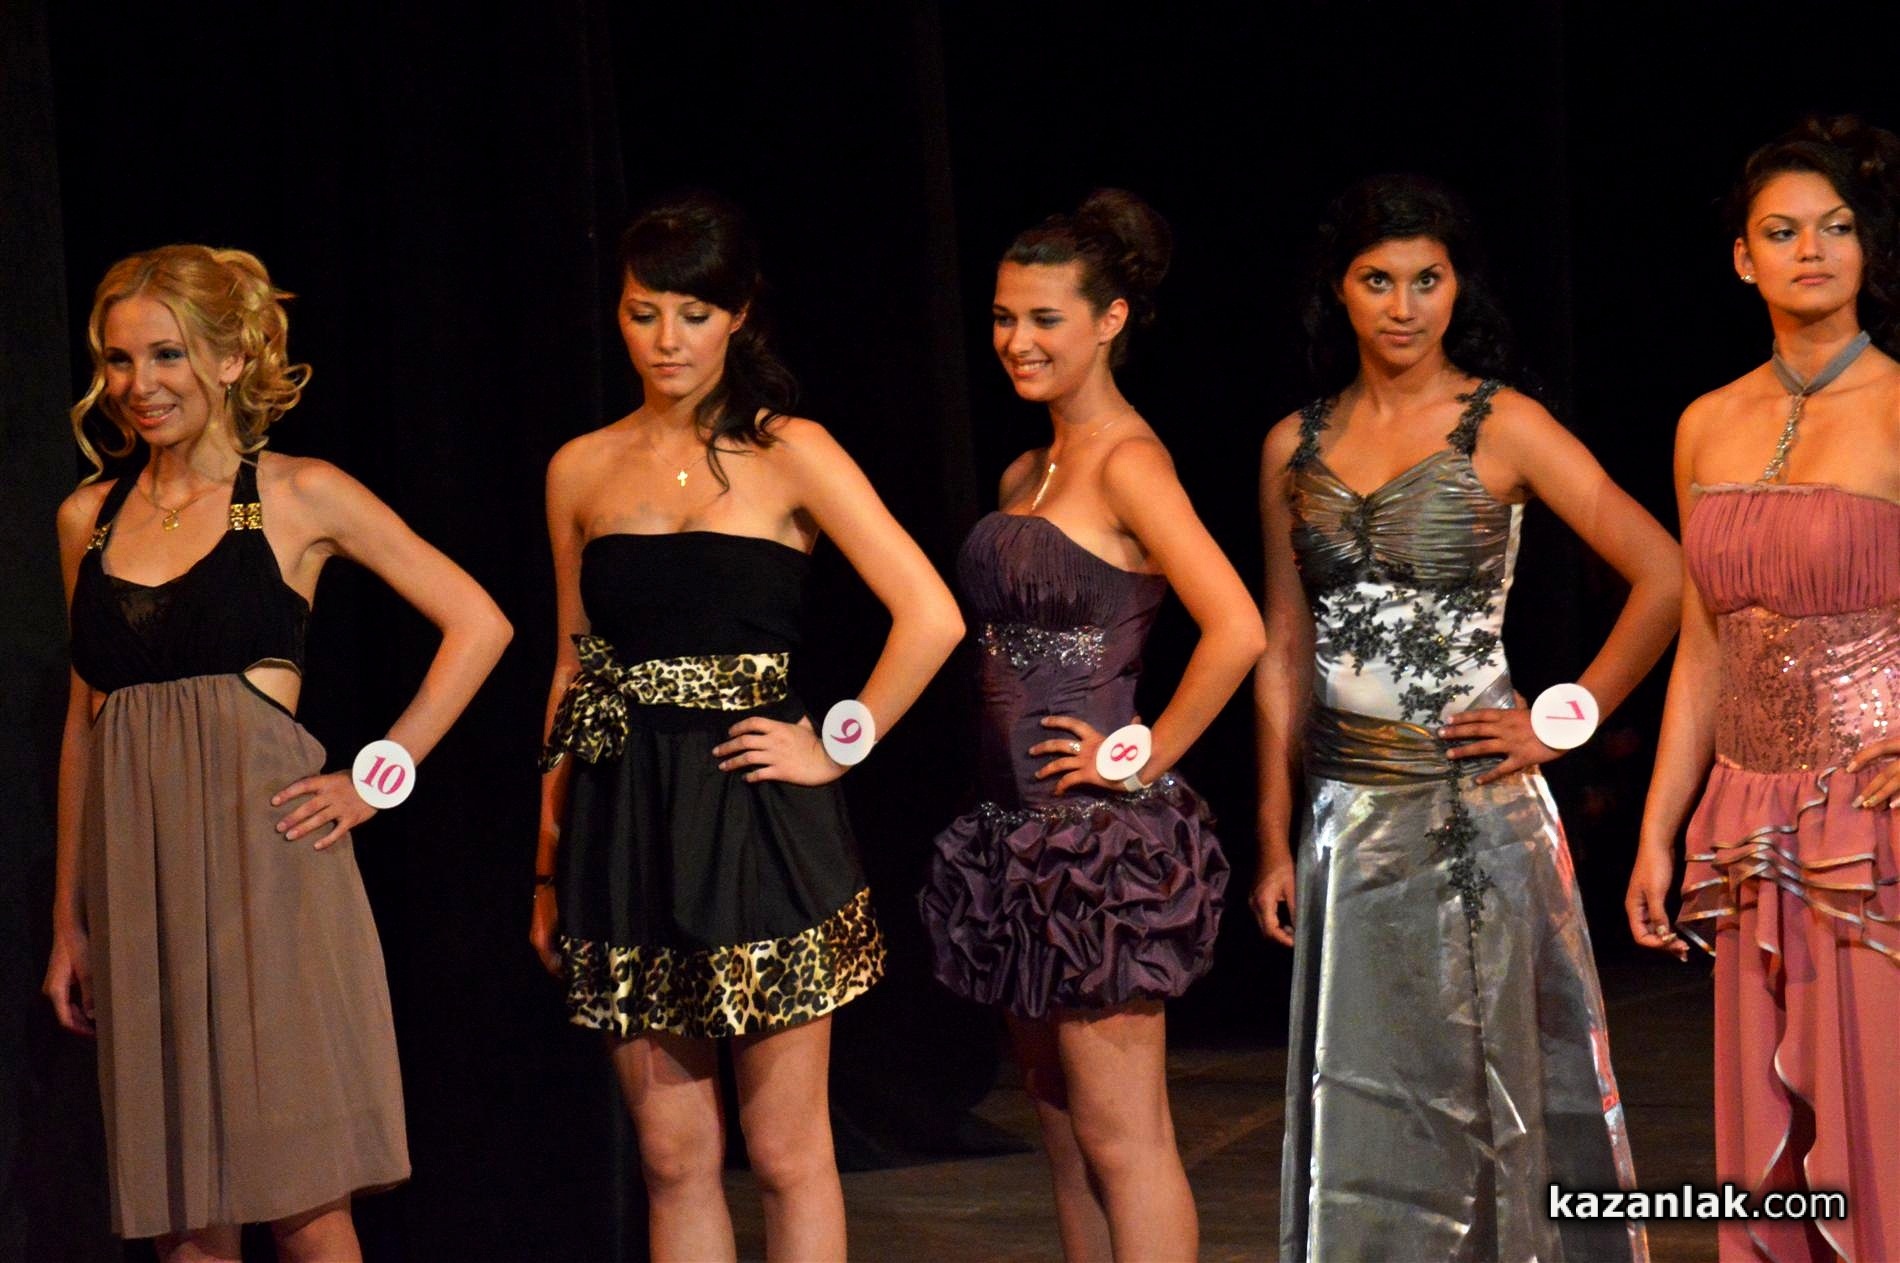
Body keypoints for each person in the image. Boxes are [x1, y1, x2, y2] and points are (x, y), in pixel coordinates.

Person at [42, 245, 512, 1260]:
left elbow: (480, 622)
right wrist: (67, 920)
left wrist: (376, 778)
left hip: (268, 880)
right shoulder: (90, 516)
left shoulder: (298, 493)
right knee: (181, 1211)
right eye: (119, 360)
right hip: (139, 887)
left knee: (304, 1203)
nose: (138, 384)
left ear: (227, 358)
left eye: (166, 354)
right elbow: (86, 722)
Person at [529, 190, 962, 1263]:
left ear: (738, 317)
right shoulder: (579, 467)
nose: (667, 339)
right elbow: (573, 667)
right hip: (625, 821)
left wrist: (835, 744)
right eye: (644, 313)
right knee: (674, 1158)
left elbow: (931, 615)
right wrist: (548, 856)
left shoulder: (791, 451)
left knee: (784, 1151)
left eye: (693, 313)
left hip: (758, 817)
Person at [1257, 176, 1678, 1261]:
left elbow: (1664, 575)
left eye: (1427, 280)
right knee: (1365, 1095)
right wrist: (1271, 833)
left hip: (1475, 814)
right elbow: (1284, 647)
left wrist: (1561, 721)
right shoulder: (1291, 446)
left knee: (1494, 1095)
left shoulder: (1507, 424)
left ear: (1458, 288)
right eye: (1377, 280)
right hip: (1346, 820)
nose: (1403, 306)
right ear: (1339, 289)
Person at [918, 189, 1262, 1262]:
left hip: (1094, 847)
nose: (1016, 340)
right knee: (1063, 1134)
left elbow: (1238, 628)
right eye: (1002, 317)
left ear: (1109, 320)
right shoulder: (1030, 469)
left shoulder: (1127, 462)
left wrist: (1143, 752)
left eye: (1044, 318)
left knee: (1123, 1136)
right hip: (1012, 837)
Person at [1625, 115, 1900, 1262]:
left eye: (1834, 228)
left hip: (1871, 821)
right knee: (1765, 1156)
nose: (1811, 251)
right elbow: (1703, 645)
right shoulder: (1706, 422)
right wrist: (1656, 831)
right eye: (1781, 232)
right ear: (1743, 258)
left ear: (1866, 249)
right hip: (1745, 818)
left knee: (1876, 1131)